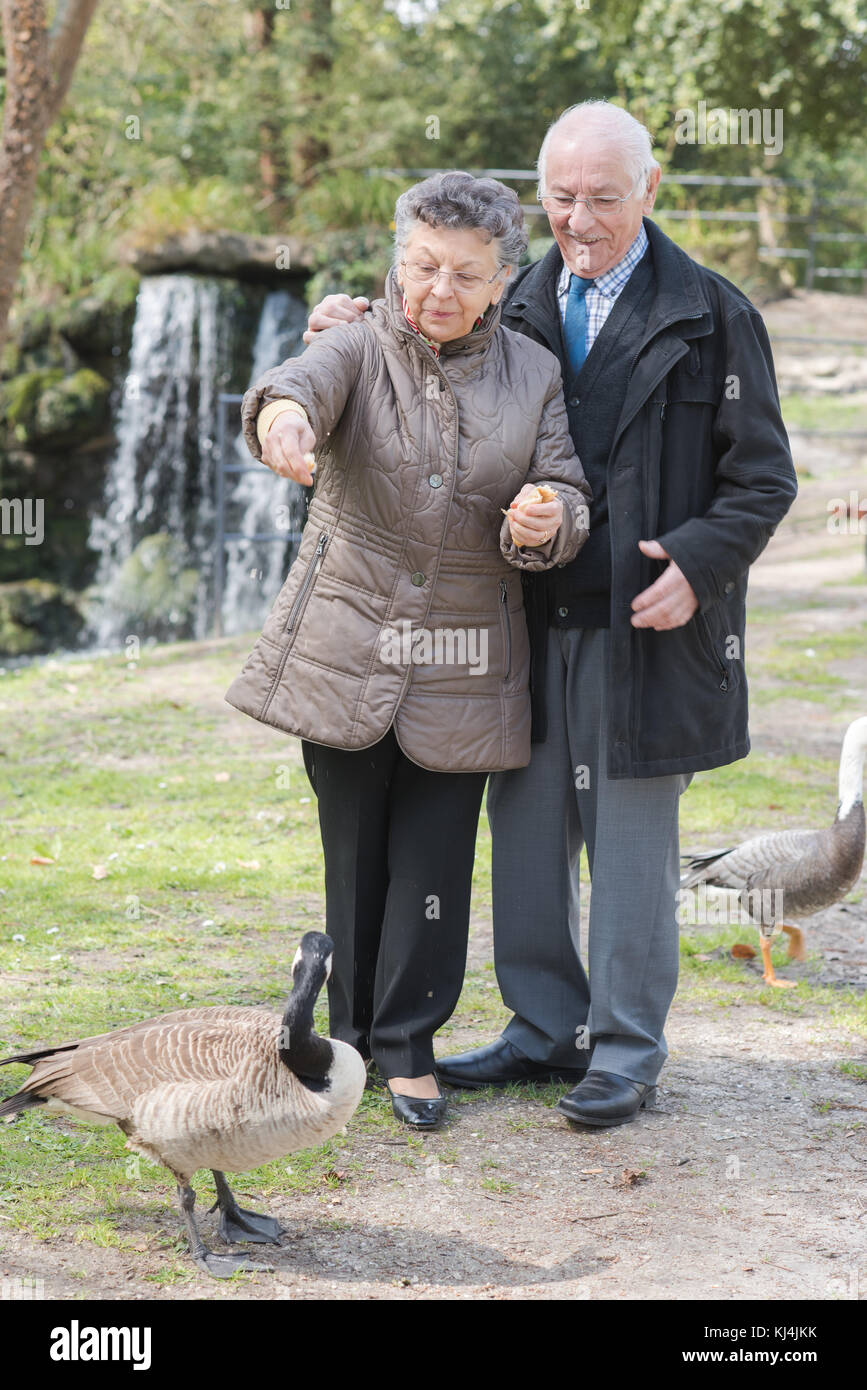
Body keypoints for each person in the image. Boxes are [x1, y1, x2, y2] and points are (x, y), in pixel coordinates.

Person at [303, 102, 798, 1128]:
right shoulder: (511, 299)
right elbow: (407, 345)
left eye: (604, 198)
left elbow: (763, 477)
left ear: (649, 191)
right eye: (563, 197)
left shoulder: (716, 314)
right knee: (525, 839)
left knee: (627, 850)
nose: (580, 218)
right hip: (520, 623)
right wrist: (333, 331)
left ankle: (624, 1049)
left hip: (648, 630)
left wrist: (702, 566)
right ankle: (544, 1028)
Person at [224, 172, 591, 1131]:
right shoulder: (350, 341)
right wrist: (282, 421)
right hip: (344, 648)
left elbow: (564, 488)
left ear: (502, 280)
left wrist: (545, 519)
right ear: (398, 261)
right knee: (354, 858)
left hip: (466, 664)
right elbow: (292, 390)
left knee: (432, 864)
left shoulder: (533, 372)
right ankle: (344, 1043)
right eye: (423, 265)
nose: (439, 289)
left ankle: (410, 1044)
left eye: (464, 274)